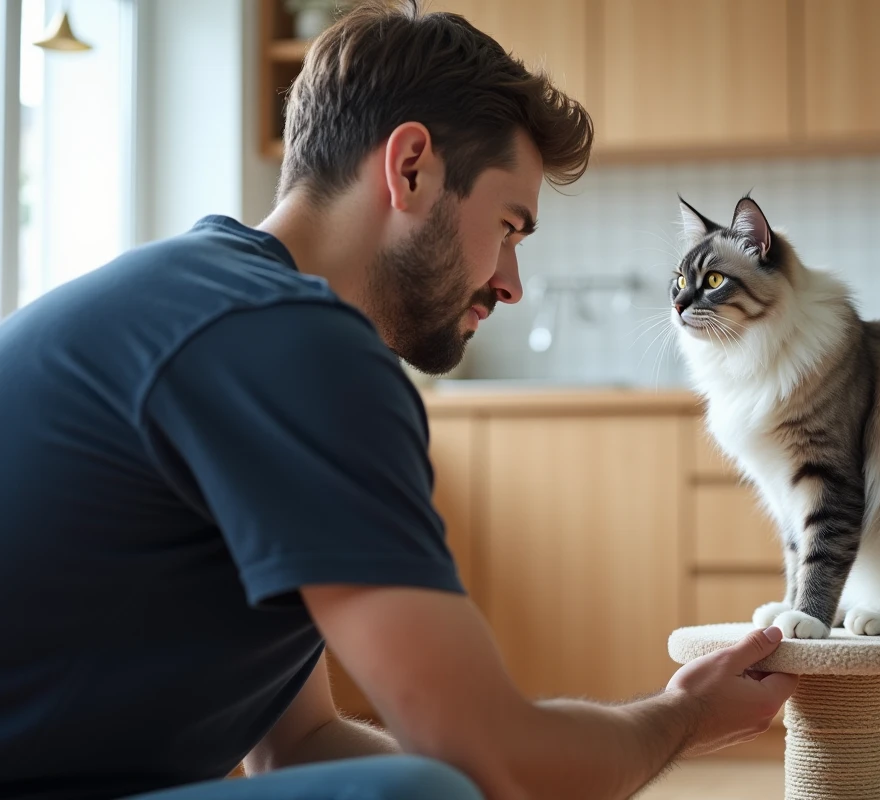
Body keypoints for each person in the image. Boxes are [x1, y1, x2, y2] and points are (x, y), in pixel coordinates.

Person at [0, 2, 798, 798]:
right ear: (410, 166)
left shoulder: (217, 307)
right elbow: (492, 757)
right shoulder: (291, 343)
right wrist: (681, 718)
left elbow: (301, 743)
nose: (512, 284)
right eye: (510, 226)